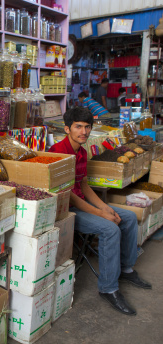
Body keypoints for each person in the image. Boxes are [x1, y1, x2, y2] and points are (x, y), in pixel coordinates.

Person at [48, 107, 152, 316]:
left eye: (87, 127)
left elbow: (84, 186)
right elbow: (68, 195)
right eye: (78, 127)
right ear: (67, 129)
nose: (84, 132)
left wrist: (105, 207)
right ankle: (108, 288)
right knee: (110, 229)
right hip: (66, 209)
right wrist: (101, 214)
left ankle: (126, 269)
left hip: (81, 202)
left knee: (129, 217)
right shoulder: (58, 152)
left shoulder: (83, 152)